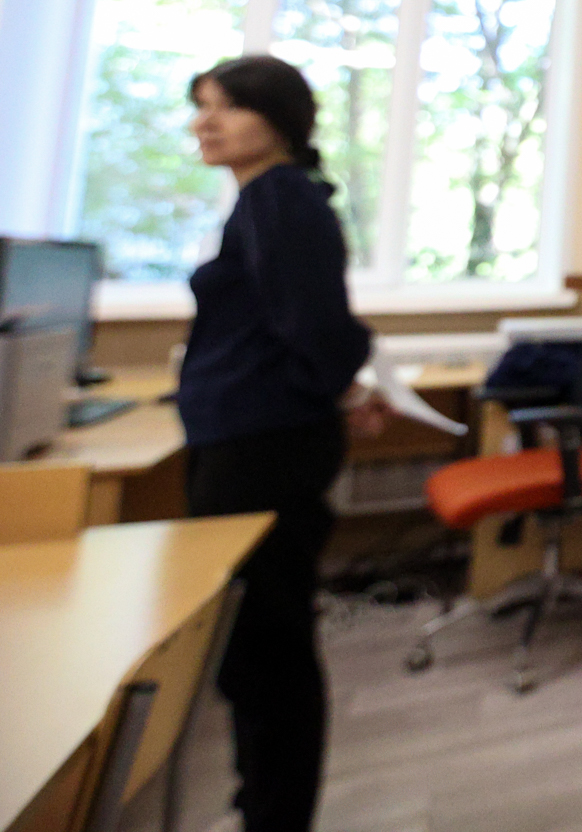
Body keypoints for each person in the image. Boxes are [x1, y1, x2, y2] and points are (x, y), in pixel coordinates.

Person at [179, 55, 376, 832]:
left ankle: (275, 814)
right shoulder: (262, 201)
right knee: (252, 645)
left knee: (267, 647)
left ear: (281, 119)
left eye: (226, 106)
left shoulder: (282, 199)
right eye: (201, 106)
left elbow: (317, 328)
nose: (205, 122)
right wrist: (341, 388)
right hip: (249, 435)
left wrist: (336, 386)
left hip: (263, 449)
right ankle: (259, 797)